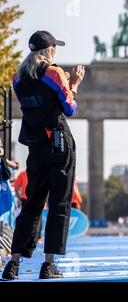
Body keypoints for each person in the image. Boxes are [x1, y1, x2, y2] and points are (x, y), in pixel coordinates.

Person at [2, 30, 85, 280]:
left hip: (35, 146)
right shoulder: (54, 73)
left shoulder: (18, 78)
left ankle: (13, 264)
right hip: (59, 143)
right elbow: (69, 108)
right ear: (49, 51)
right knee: (59, 203)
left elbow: (35, 106)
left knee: (31, 205)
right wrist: (74, 86)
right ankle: (48, 265)